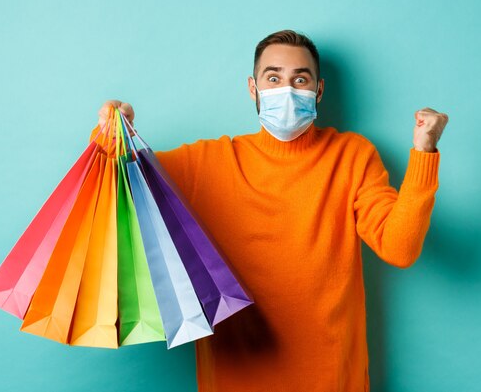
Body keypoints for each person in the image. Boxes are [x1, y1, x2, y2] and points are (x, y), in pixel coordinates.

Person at [93, 29, 448, 392]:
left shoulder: (353, 157)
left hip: (330, 378)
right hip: (235, 377)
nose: (288, 90)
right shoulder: (208, 163)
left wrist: (424, 152)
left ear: (319, 90)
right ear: (254, 88)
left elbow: (400, 248)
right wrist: (112, 132)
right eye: (274, 78)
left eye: (301, 79)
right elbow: (121, 184)